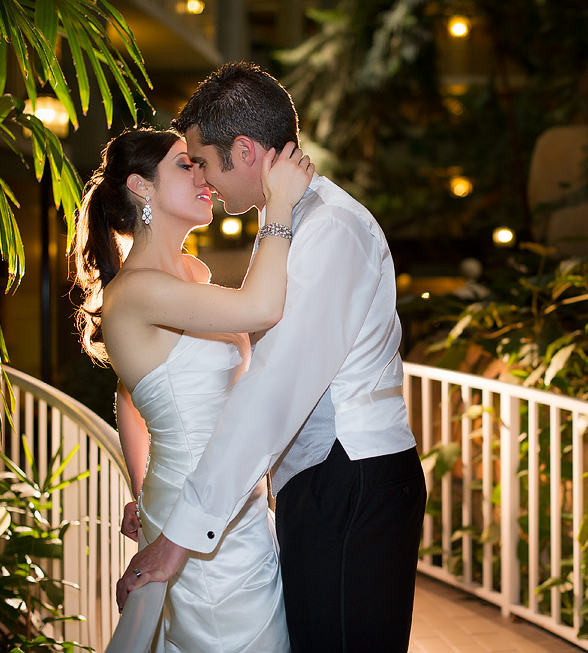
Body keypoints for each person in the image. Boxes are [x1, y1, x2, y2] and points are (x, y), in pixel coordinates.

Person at [116, 62, 427, 652]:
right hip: (324, 482)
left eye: (203, 161)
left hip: (351, 479)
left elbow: (277, 386)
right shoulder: (288, 222)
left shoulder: (328, 227)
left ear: (245, 150)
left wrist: (180, 536)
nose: (205, 178)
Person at [71, 126, 314, 651]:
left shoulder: (191, 271)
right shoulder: (134, 293)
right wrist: (279, 208)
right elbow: (260, 307)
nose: (204, 175)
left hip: (237, 505)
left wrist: (140, 491)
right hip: (194, 508)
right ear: (141, 187)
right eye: (186, 165)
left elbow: (129, 396)